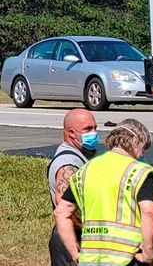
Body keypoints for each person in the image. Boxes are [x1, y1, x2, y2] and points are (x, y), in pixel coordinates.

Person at [54, 119, 153, 266]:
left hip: (91, 260)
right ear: (135, 141)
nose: (141, 155)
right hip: (127, 258)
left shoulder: (85, 170)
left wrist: (74, 252)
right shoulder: (138, 171)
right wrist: (148, 253)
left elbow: (61, 213)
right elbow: (149, 212)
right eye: (143, 149)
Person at [48, 108, 98, 266]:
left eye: (95, 128)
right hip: (73, 240)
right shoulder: (68, 164)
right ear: (71, 133)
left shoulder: (79, 157)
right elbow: (66, 209)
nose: (94, 133)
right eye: (88, 129)